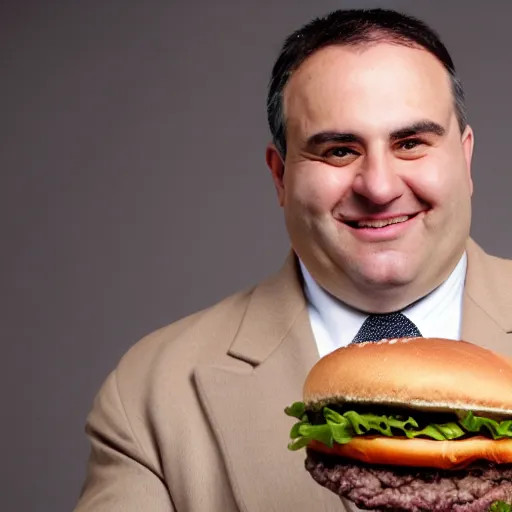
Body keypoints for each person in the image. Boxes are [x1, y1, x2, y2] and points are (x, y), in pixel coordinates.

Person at [74, 8, 512, 512]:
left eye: (411, 143)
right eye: (339, 151)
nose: (380, 187)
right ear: (280, 176)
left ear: (466, 157)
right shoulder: (150, 393)